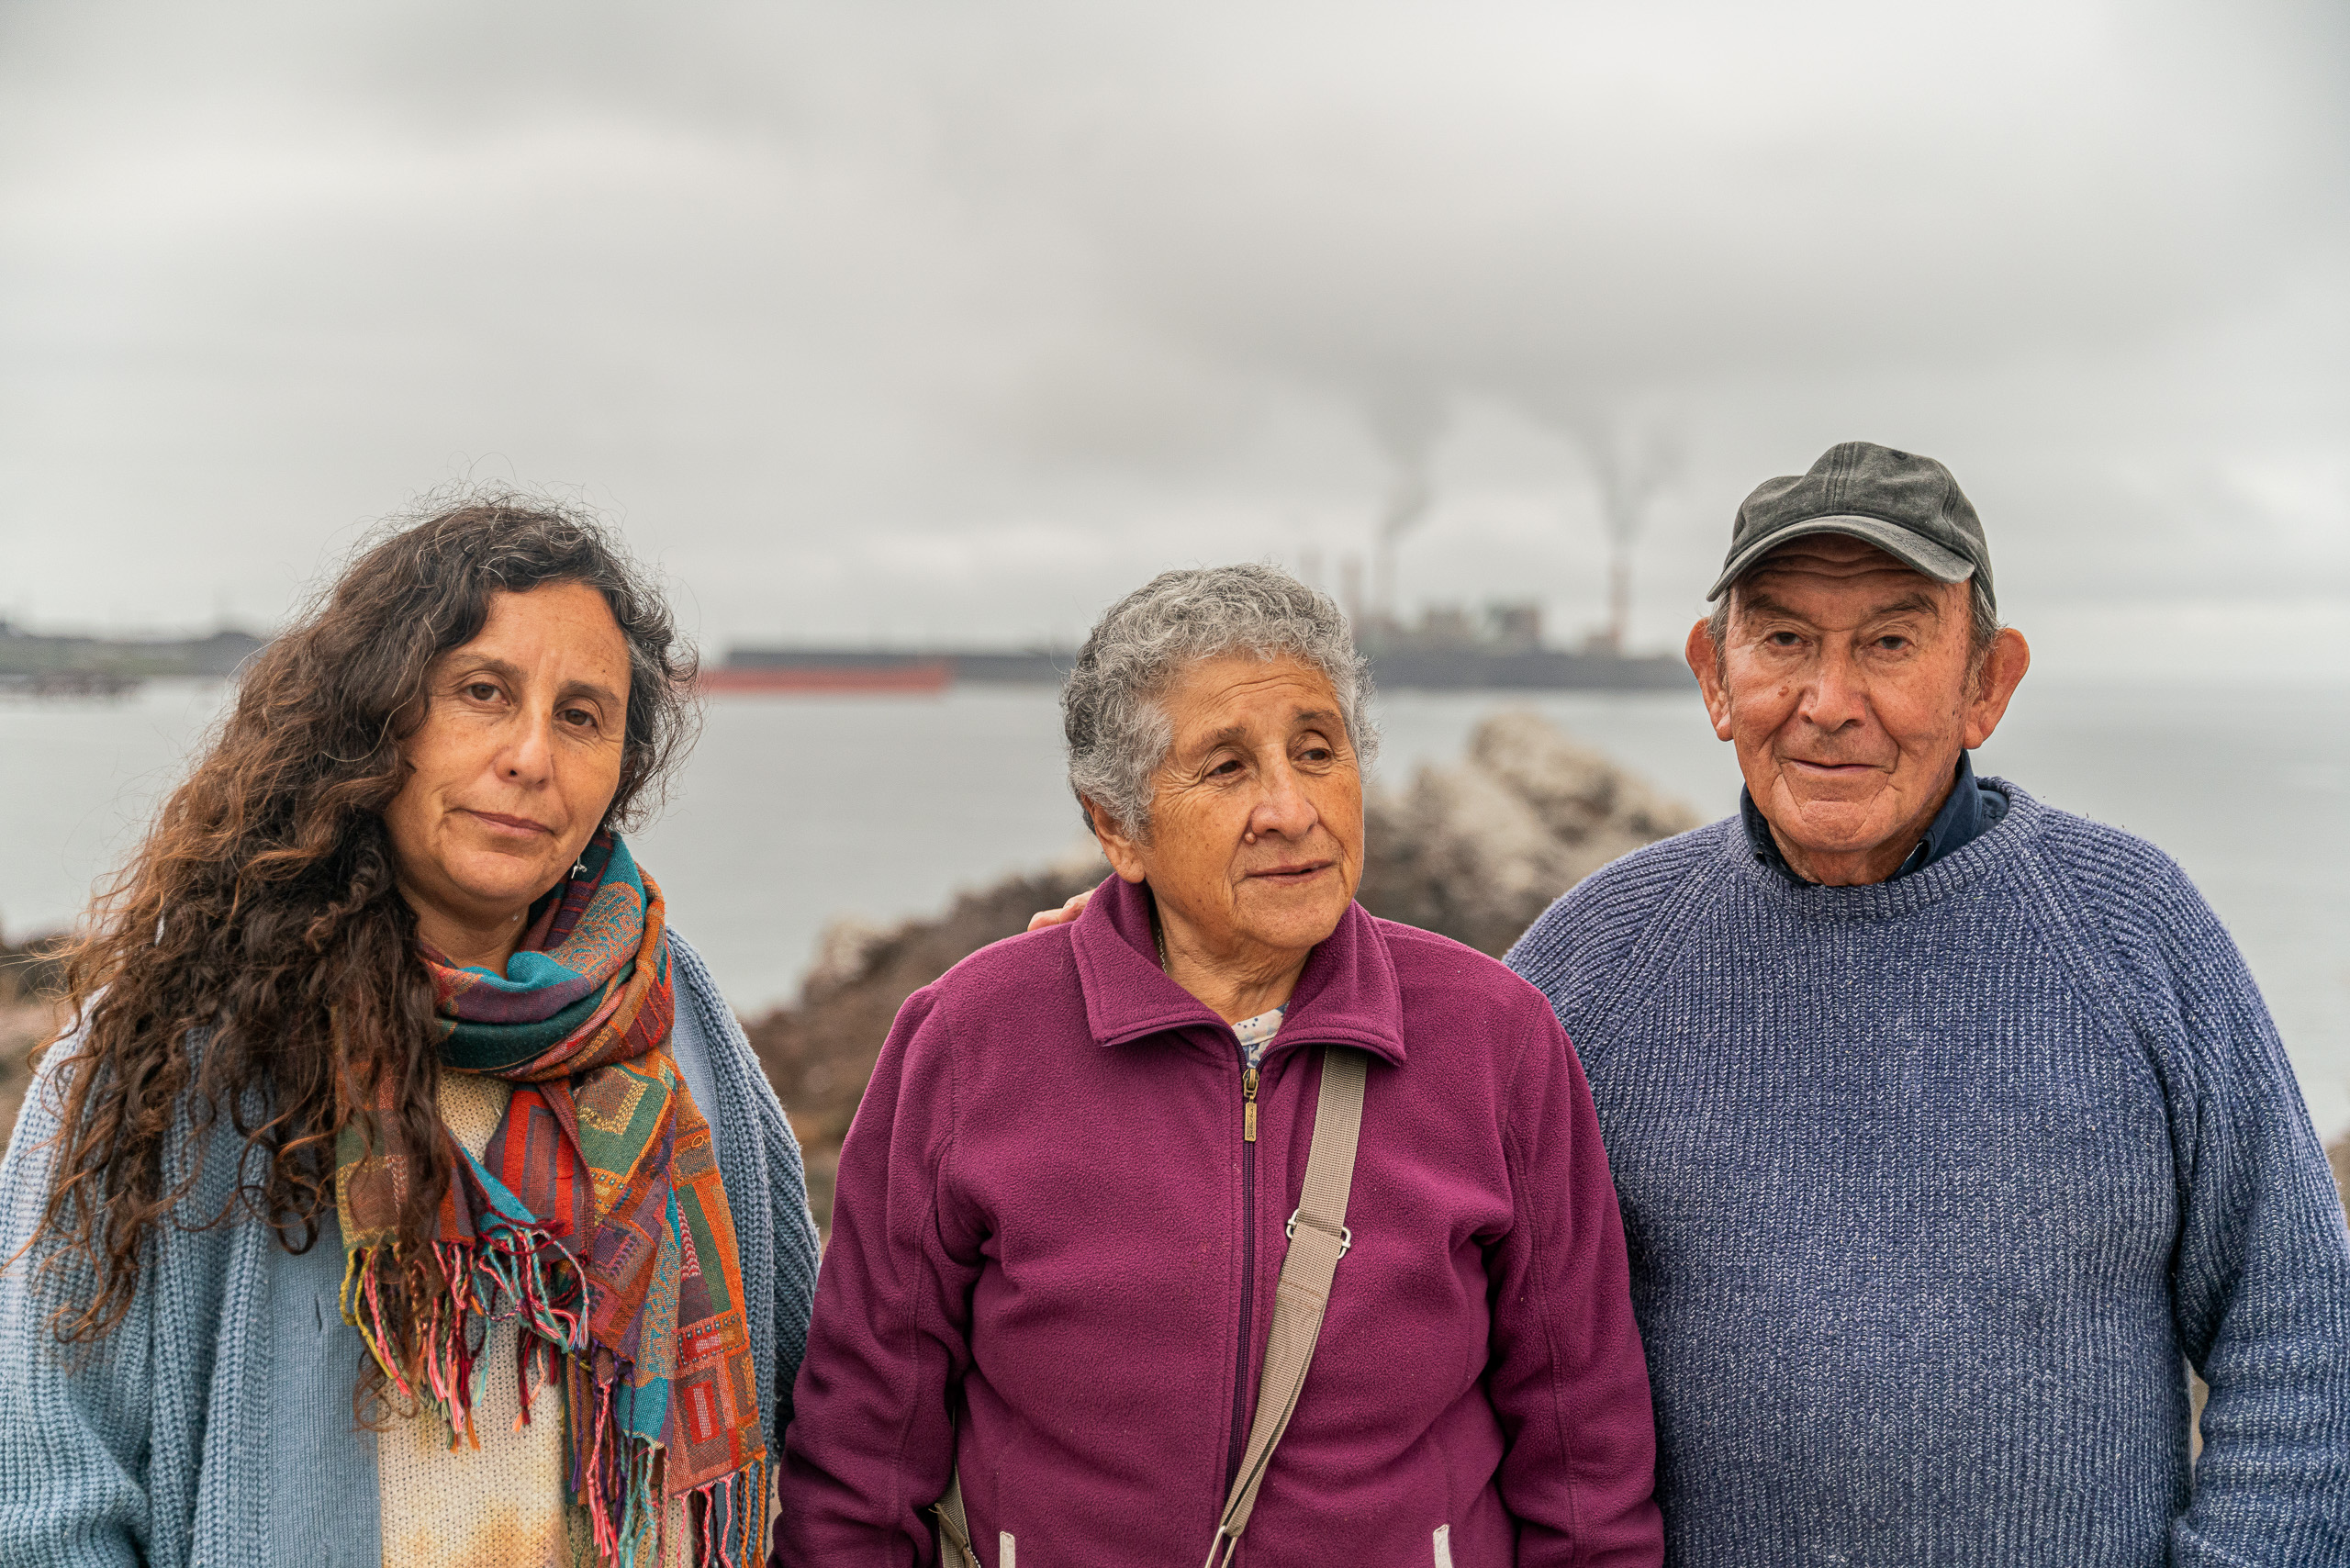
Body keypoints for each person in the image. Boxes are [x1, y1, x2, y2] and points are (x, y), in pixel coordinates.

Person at [1504, 443, 2350, 1562]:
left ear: (1987, 683)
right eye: (1785, 639)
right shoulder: (1593, 960)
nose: (1828, 702)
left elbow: (2298, 1325)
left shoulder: (2137, 930)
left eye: (1890, 643)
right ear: (1714, 674)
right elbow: (1436, 1316)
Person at [780, 565, 1662, 1564]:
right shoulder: (967, 1040)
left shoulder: (1495, 1038)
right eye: (1227, 766)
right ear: (1117, 826)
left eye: (1317, 751)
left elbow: (1586, 1463)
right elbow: (859, 1464)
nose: (1291, 808)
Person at [0, 502, 821, 1568]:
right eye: (483, 693)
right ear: (378, 716)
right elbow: (47, 1500)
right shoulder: (180, 1041)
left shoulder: (673, 1012)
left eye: (582, 715)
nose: (531, 755)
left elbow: (812, 1402)